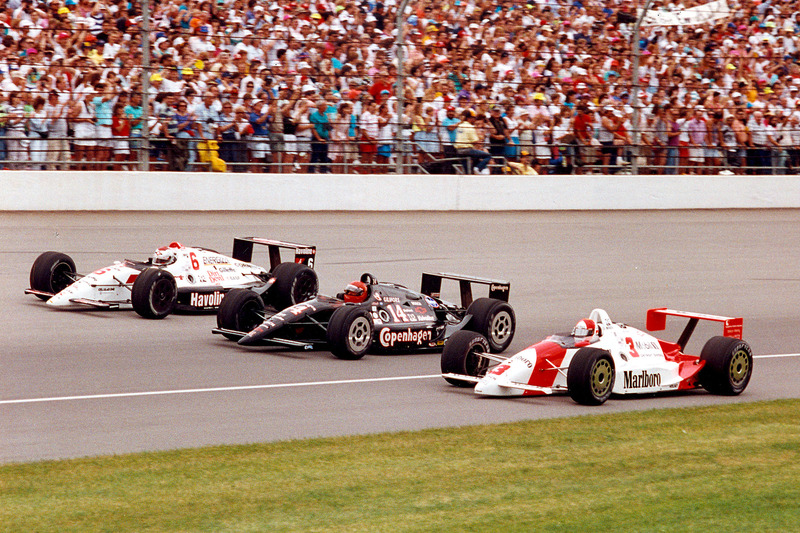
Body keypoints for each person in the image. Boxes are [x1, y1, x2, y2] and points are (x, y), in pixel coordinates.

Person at [454, 109, 491, 174]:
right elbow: (475, 141)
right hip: (467, 150)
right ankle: (478, 168)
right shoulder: (470, 127)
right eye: (473, 118)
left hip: (459, 150)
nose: (474, 120)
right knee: (488, 156)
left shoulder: (460, 126)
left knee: (467, 171)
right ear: (469, 118)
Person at [309, 98, 331, 174]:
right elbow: (313, 128)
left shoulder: (325, 115)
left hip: (325, 138)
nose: (326, 106)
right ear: (320, 106)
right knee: (315, 155)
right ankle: (311, 171)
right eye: (325, 105)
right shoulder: (314, 115)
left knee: (324, 157)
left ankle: (323, 171)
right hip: (317, 138)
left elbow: (327, 127)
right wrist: (318, 138)